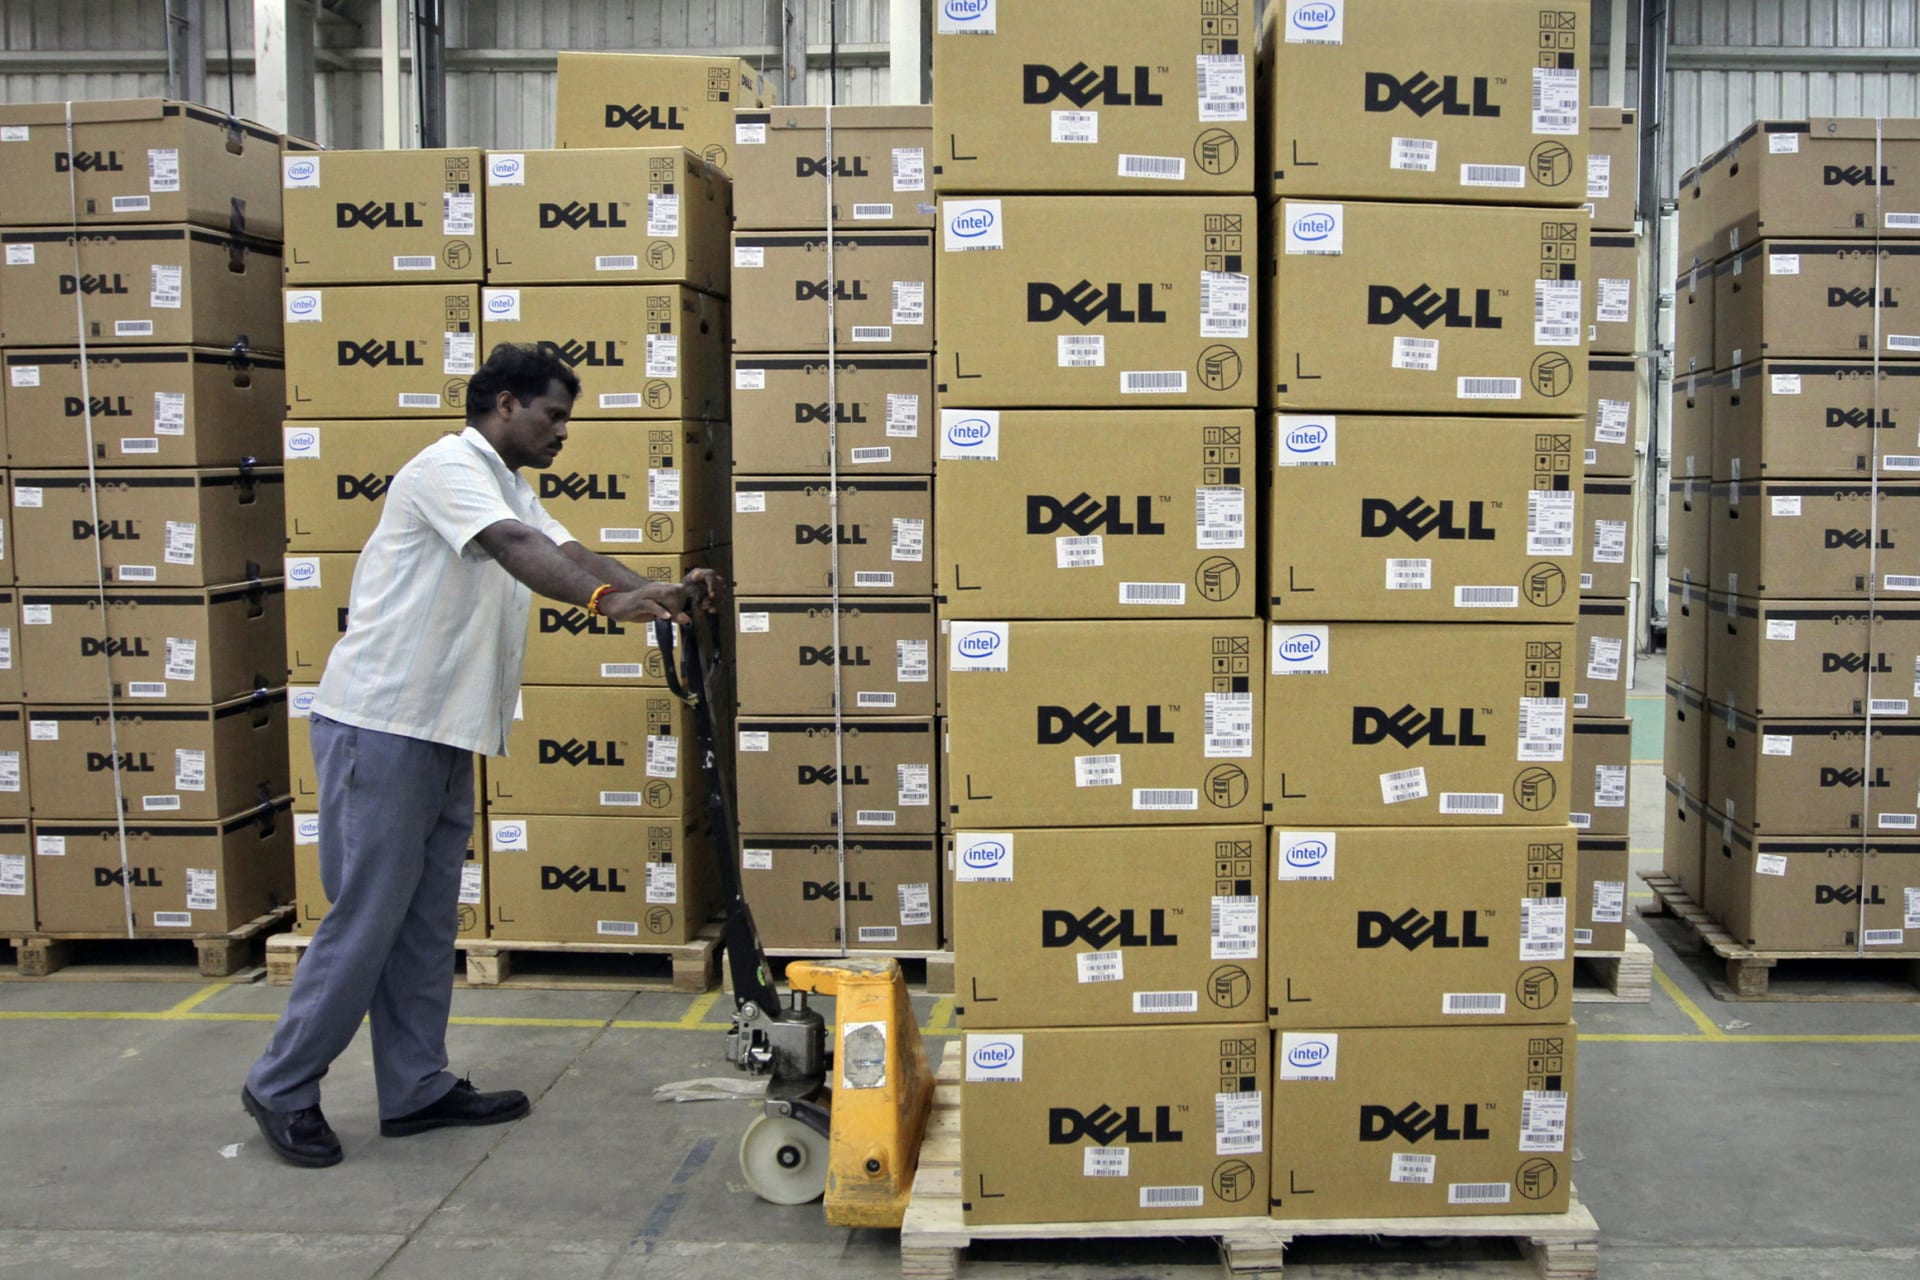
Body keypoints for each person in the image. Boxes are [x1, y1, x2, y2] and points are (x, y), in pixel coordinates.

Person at [243, 343, 724, 1167]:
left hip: (444, 731)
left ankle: (415, 1087)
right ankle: (281, 1085)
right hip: (382, 726)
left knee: (427, 923)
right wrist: (609, 602)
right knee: (365, 921)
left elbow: (568, 556)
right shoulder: (447, 470)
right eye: (553, 414)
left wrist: (650, 592)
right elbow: (514, 548)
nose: (561, 432)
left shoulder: (508, 484)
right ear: (504, 403)